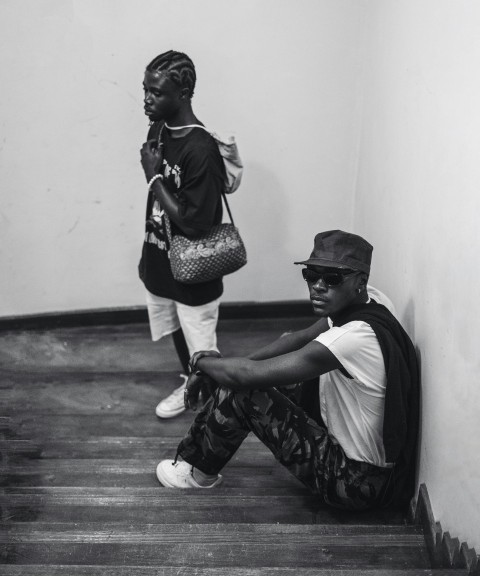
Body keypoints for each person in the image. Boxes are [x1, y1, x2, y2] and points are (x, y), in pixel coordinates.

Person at [156, 230, 420, 510]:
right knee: (238, 375)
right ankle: (194, 461)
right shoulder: (371, 302)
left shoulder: (352, 338)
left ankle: (198, 475)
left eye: (332, 279)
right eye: (311, 275)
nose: (318, 286)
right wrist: (219, 368)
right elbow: (295, 339)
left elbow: (244, 376)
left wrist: (200, 362)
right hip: (374, 473)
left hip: (354, 484)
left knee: (244, 392)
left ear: (360, 282)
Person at [138, 50, 225, 419]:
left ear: (184, 92)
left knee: (201, 343)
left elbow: (195, 223)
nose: (146, 100)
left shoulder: (200, 149)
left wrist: (153, 177)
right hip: (161, 258)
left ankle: (211, 406)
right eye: (145, 90)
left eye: (156, 93)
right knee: (174, 325)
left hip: (193, 269)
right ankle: (191, 380)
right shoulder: (158, 128)